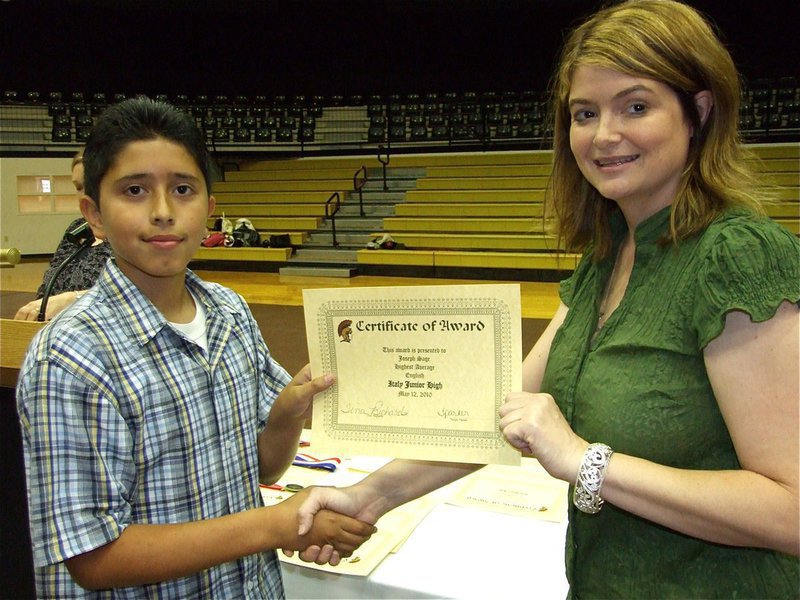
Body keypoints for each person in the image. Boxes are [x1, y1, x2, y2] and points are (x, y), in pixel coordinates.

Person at [293, 1, 800, 597]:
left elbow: (789, 512)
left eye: (636, 106)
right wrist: (366, 496)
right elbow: (503, 413)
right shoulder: (606, 256)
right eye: (585, 113)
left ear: (699, 111)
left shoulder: (738, 254)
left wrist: (587, 462)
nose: (604, 135)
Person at [16, 96, 374, 598]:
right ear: (94, 215)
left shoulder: (229, 312)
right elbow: (93, 558)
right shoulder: (72, 357)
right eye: (135, 190)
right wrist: (276, 525)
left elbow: (263, 466)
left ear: (208, 210)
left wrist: (288, 413)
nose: (163, 212)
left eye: (182, 189)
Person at [14, 151, 114, 321]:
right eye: (78, 187)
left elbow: (146, 292)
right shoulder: (77, 229)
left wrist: (72, 299)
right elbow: (48, 287)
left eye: (90, 184)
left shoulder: (132, 234)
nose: (83, 194)